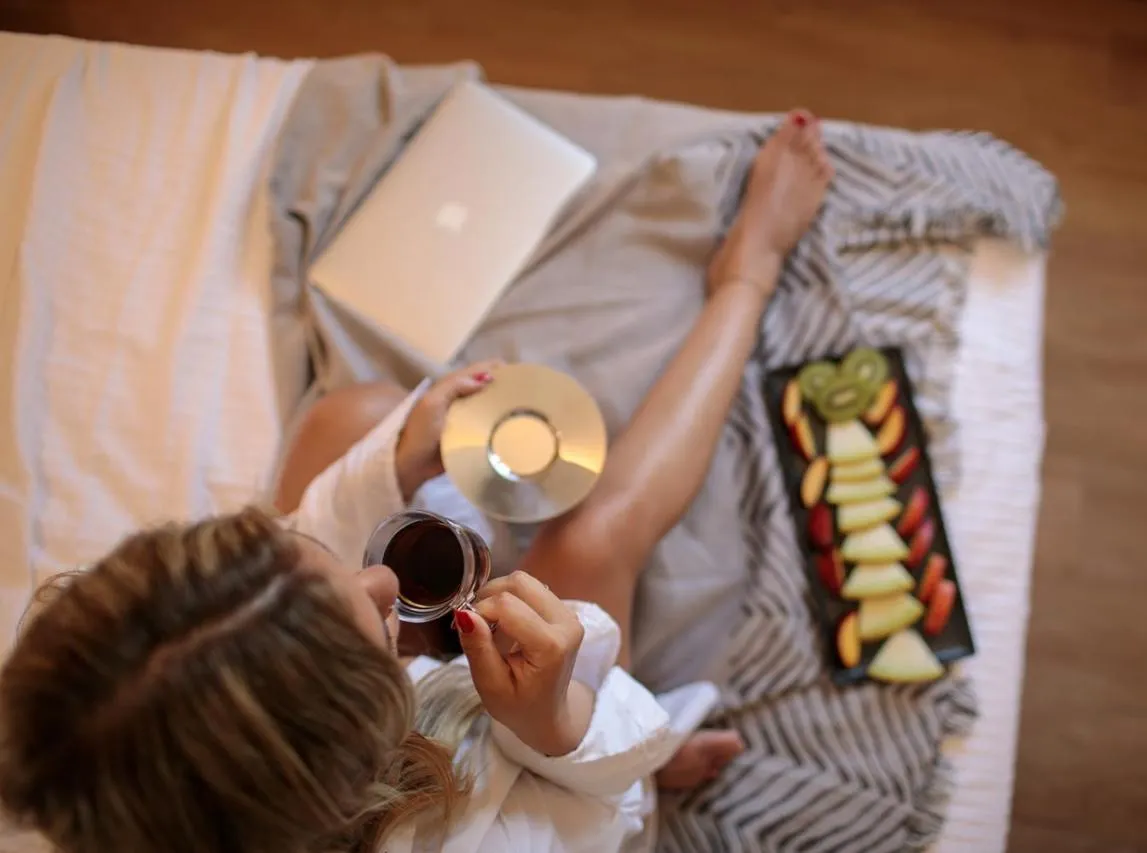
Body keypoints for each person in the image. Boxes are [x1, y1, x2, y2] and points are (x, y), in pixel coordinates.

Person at [0, 111, 833, 853]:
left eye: (276, 547)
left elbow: (316, 552)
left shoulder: (82, 734)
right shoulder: (496, 836)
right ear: (353, 760)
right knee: (590, 540)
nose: (381, 580)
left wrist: (394, 459)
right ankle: (749, 273)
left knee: (350, 419)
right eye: (372, 617)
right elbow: (604, 819)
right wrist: (557, 724)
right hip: (565, 792)